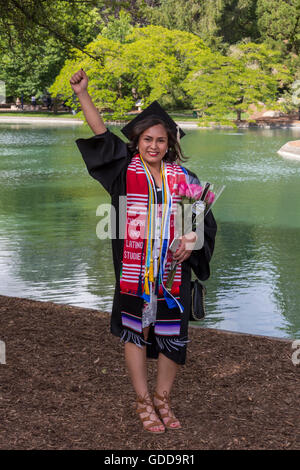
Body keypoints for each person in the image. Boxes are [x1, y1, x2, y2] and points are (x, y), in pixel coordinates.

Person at [70, 69, 217, 434]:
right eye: (148, 139)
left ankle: (163, 399)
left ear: (170, 144)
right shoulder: (123, 170)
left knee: (172, 334)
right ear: (137, 142)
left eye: (161, 140)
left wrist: (191, 240)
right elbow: (101, 135)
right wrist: (83, 94)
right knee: (136, 332)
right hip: (135, 273)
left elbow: (201, 223)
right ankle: (142, 401)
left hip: (174, 273)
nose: (154, 146)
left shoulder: (185, 179)